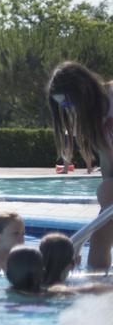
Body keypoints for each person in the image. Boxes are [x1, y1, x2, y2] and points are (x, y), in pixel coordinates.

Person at [47, 62, 113, 270]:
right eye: (64, 107)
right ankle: (97, 293)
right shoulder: (92, 120)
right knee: (100, 237)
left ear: (83, 90)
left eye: (69, 103)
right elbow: (108, 161)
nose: (70, 110)